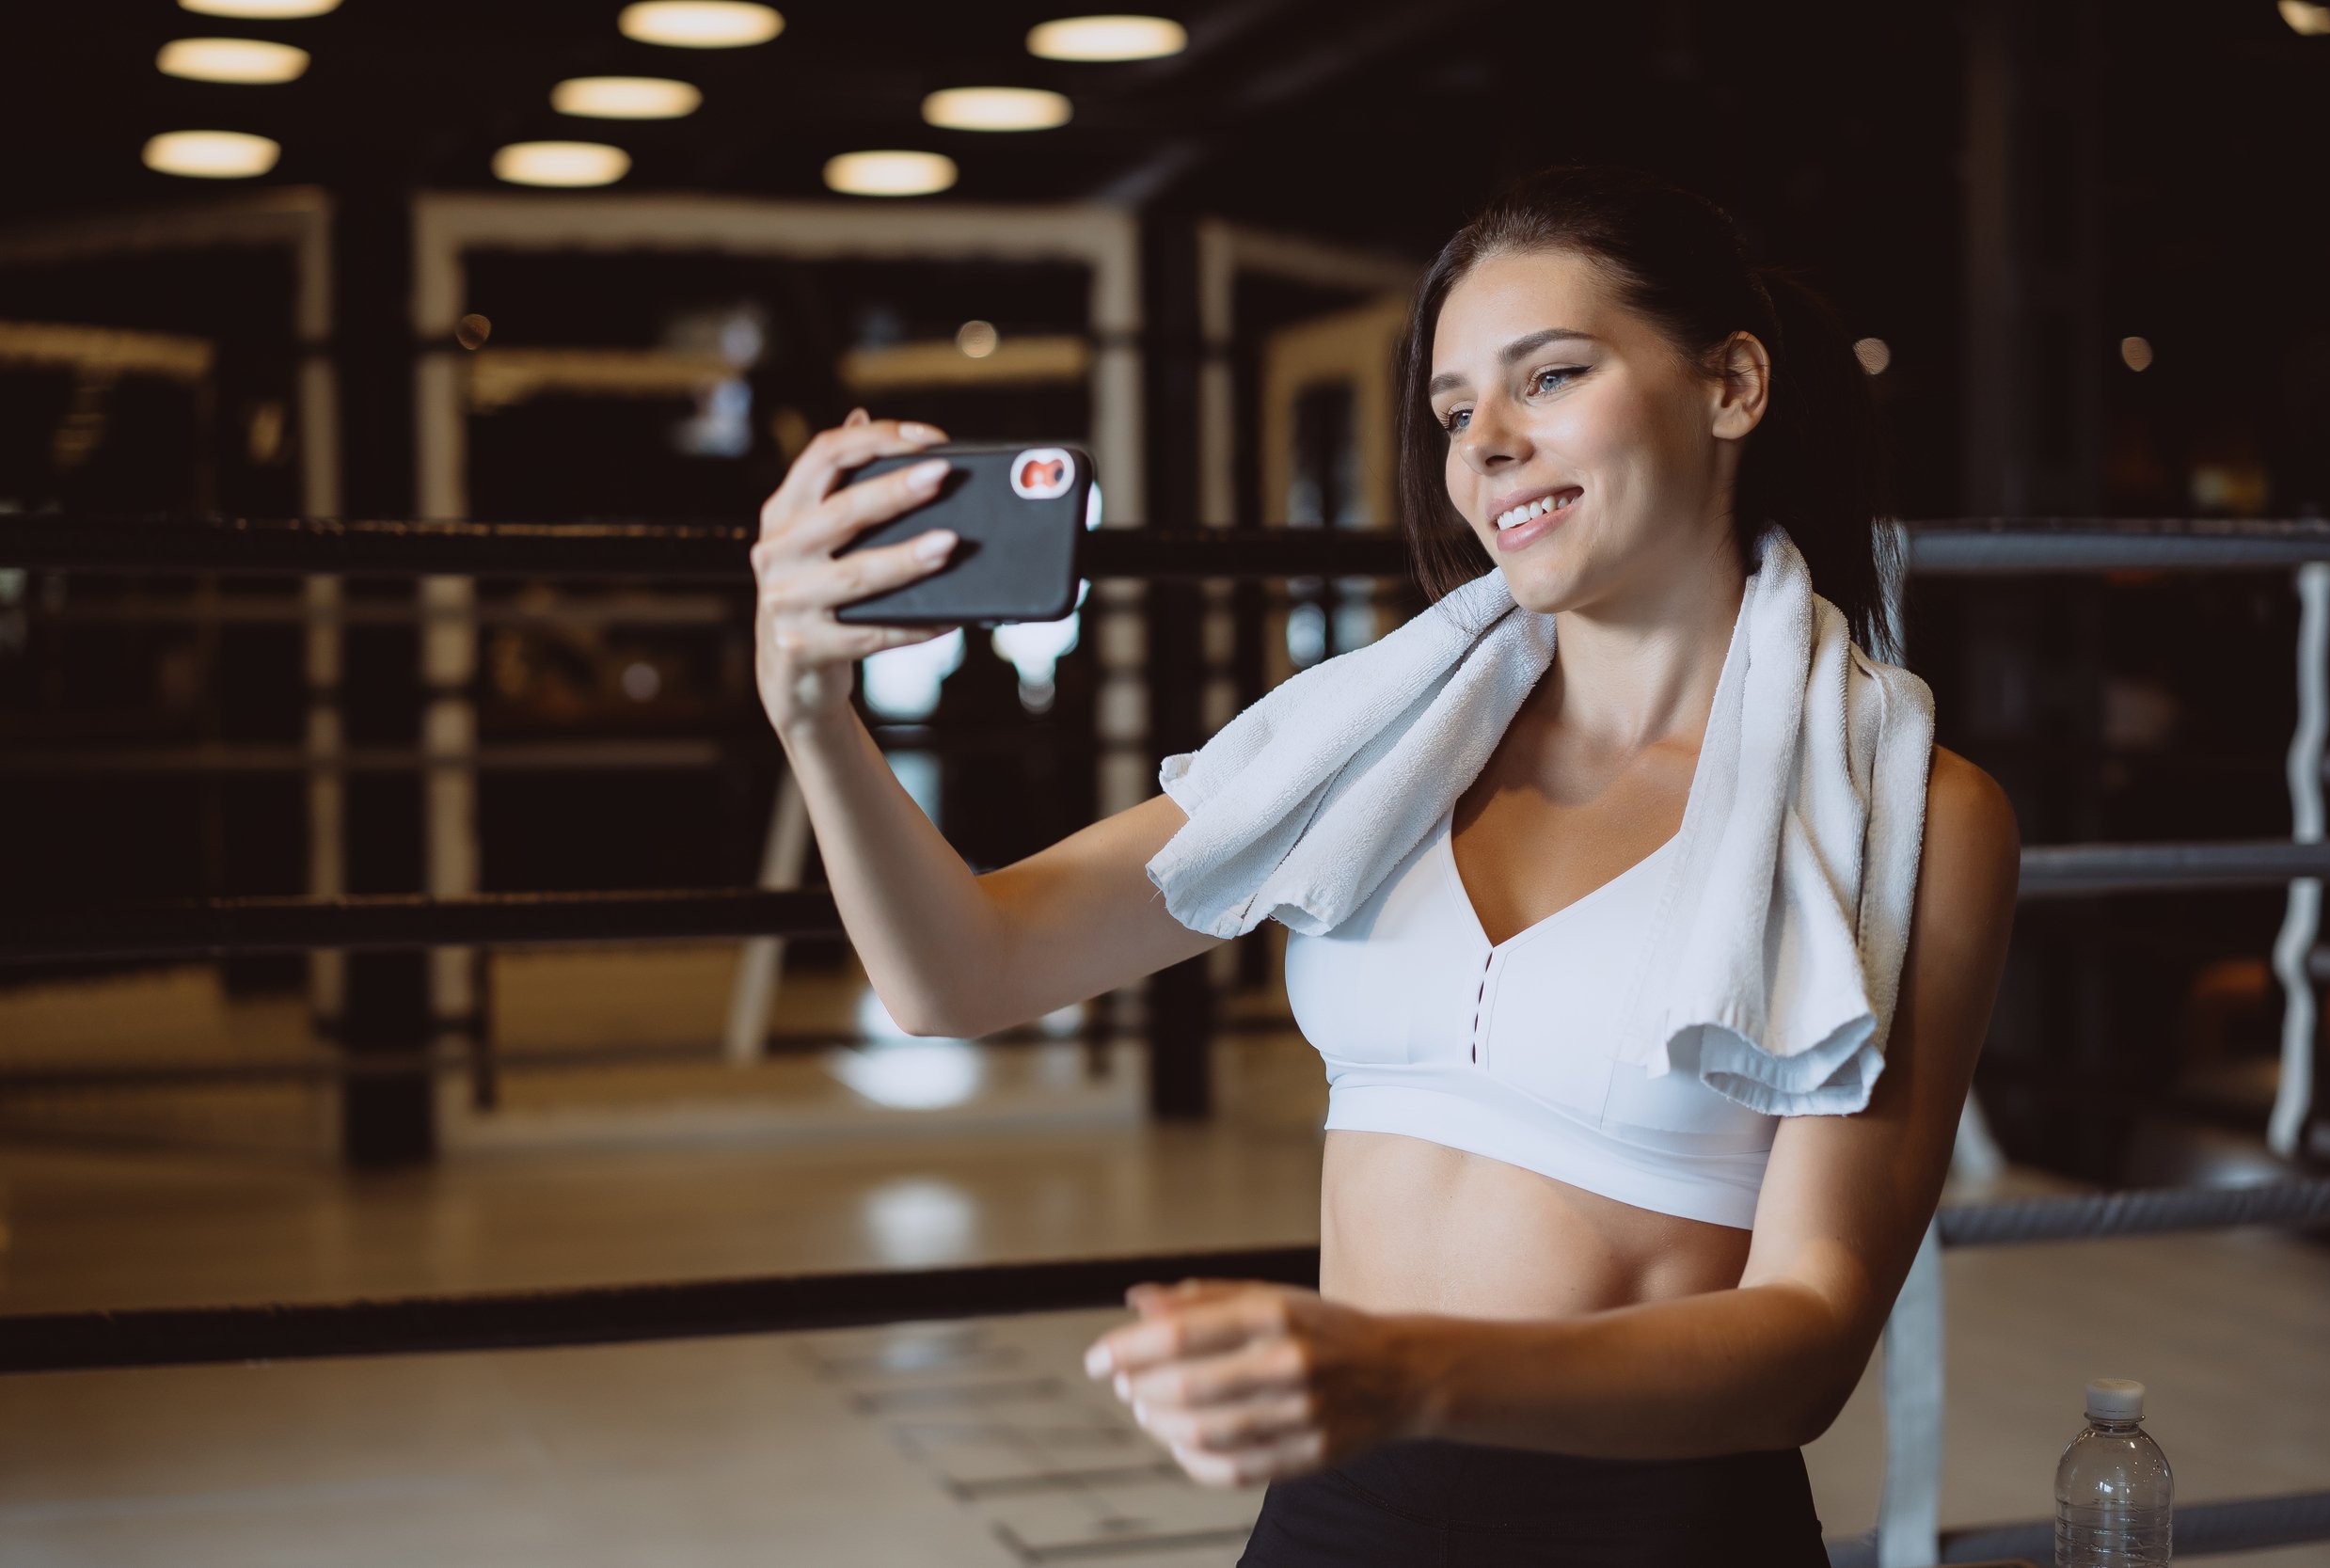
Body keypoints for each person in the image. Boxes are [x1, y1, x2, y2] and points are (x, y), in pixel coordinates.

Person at [749, 165, 2020, 1567]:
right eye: (1456, 411)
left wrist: (1407, 1371)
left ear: (1731, 385)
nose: (1488, 448)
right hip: (1337, 1516)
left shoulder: (1902, 809)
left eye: (1550, 378)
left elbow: (1810, 1342)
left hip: (1651, 1531)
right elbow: (962, 972)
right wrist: (810, 711)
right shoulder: (1380, 750)